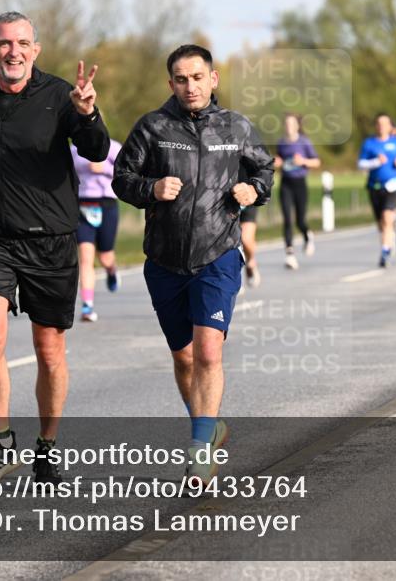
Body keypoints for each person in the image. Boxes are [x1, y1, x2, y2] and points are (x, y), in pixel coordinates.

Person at [0, 12, 110, 486]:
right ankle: (0, 442)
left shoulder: (62, 95)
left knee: (49, 349)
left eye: (21, 43)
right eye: (3, 43)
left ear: (35, 50)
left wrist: (88, 112)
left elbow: (96, 151)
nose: (12, 51)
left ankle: (48, 447)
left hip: (51, 238)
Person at [112, 44, 273, 487]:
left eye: (197, 77)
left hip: (217, 253)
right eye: (181, 79)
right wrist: (151, 188)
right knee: (184, 358)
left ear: (213, 79)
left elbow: (265, 169)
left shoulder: (235, 126)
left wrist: (253, 189)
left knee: (207, 352)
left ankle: (199, 451)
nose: (190, 86)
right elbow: (122, 179)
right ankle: (207, 425)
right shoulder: (153, 127)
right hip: (164, 259)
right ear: (171, 84)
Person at [71, 137, 122, 322]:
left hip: (107, 204)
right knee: (85, 257)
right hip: (83, 205)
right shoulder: (74, 150)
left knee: (106, 257)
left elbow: (127, 171)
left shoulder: (114, 148)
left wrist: (106, 170)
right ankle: (87, 305)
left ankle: (111, 270)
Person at [357, 113, 396, 267]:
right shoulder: (369, 143)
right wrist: (376, 162)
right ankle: (389, 239)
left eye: (384, 123)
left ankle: (385, 251)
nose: (381, 126)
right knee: (381, 223)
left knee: (387, 218)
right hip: (374, 185)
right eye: (379, 123)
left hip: (392, 184)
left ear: (389, 126)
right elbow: (361, 164)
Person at [274, 113, 320, 270]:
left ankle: (308, 236)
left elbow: (316, 162)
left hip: (300, 183)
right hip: (286, 183)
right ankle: (290, 255)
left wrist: (304, 161)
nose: (288, 126)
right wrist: (277, 162)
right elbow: (278, 160)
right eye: (286, 123)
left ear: (297, 126)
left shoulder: (304, 142)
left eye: (291, 123)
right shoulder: (281, 142)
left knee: (300, 220)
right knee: (287, 219)